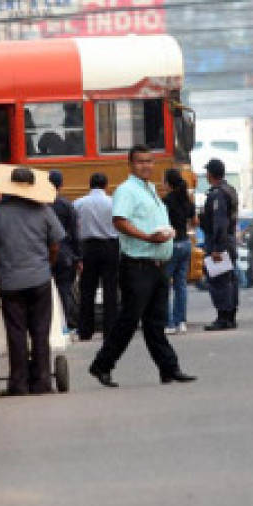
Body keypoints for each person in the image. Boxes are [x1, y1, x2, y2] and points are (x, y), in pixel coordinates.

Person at [88, 147, 196, 387]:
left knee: (156, 322)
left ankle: (169, 368)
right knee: (129, 319)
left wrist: (166, 233)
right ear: (130, 164)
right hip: (137, 265)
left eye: (149, 161)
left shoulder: (151, 190)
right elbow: (119, 221)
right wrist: (148, 237)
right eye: (140, 162)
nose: (145, 166)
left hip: (158, 264)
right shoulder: (127, 191)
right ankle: (102, 365)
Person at [0, 166, 65, 396]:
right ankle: (42, 382)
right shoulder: (44, 210)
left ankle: (18, 384)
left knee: (16, 332)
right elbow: (56, 242)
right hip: (39, 279)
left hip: (10, 282)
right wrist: (48, 263)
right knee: (40, 331)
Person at [75, 172, 119, 341]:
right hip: (110, 246)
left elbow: (74, 225)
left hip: (87, 247)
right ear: (106, 185)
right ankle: (110, 329)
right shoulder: (113, 202)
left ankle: (85, 330)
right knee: (110, 289)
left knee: (87, 290)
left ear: (90, 185)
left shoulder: (79, 203)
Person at [201, 158, 240, 331]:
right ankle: (229, 316)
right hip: (228, 240)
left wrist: (217, 248)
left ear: (211, 174)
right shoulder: (229, 189)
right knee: (229, 280)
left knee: (219, 281)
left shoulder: (218, 194)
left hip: (220, 242)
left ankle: (223, 317)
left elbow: (219, 222)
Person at [161, 168, 195, 335]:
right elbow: (194, 220)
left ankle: (169, 323)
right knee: (181, 284)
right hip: (185, 243)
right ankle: (181, 321)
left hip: (171, 244)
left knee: (165, 285)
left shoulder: (165, 201)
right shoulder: (187, 200)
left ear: (168, 183)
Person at [47, 170, 81, 334]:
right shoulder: (67, 205)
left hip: (44, 253)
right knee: (64, 289)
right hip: (65, 253)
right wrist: (79, 257)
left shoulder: (40, 204)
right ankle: (64, 325)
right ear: (61, 185)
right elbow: (75, 233)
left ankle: (49, 324)